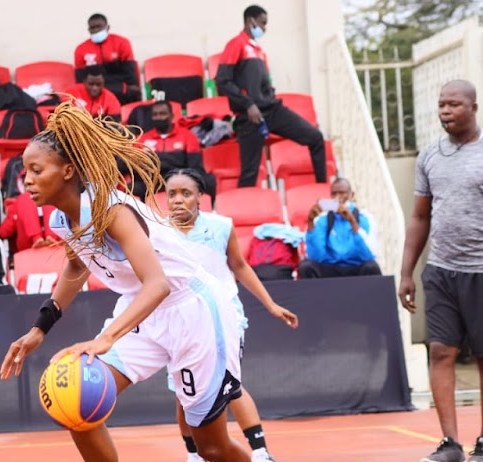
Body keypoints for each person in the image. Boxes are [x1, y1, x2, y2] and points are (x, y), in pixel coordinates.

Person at [0, 103, 283, 462]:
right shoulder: (60, 220)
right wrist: (39, 329)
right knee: (76, 401)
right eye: (23, 172)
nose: (25, 180)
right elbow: (76, 266)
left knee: (210, 445)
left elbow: (158, 282)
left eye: (35, 170)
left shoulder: (109, 208)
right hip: (142, 312)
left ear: (67, 169)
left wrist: (106, 337)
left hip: (192, 311)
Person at [164, 169, 296, 462]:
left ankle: (262, 455)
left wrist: (270, 304)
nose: (179, 199)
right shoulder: (157, 232)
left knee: (229, 384)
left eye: (186, 193)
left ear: (200, 197)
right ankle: (195, 457)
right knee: (185, 391)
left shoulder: (221, 227)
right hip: (179, 321)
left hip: (224, 317)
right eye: (172, 194)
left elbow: (239, 266)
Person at [399, 79, 483, 462]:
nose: (445, 111)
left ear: (473, 108)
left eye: (454, 105)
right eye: (441, 105)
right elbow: (419, 216)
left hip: (480, 271)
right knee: (441, 350)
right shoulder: (430, 156)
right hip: (442, 271)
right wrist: (407, 272)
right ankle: (450, 443)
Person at [215, 5, 326, 188]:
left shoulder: (259, 50)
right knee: (250, 174)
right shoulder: (236, 44)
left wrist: (270, 94)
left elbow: (265, 83)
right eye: (262, 23)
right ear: (250, 21)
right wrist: (248, 105)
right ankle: (244, 213)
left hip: (272, 110)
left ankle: (323, 191)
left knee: (315, 138)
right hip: (250, 116)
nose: (264, 28)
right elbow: (222, 81)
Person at [298, 177, 381, 279]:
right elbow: (316, 257)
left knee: (372, 267)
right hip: (331, 268)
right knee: (306, 266)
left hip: (356, 268)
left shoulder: (365, 217)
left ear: (351, 195)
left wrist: (352, 222)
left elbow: (368, 255)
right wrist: (311, 223)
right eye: (334, 194)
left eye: (342, 193)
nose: (338, 198)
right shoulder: (322, 218)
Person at [135, 101, 215, 199]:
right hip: (153, 182)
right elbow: (137, 167)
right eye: (155, 115)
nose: (159, 117)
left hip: (180, 179)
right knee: (132, 187)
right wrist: (174, 159)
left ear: (172, 116)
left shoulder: (188, 136)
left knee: (208, 181)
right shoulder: (142, 139)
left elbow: (195, 166)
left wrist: (158, 159)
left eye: (163, 114)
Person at [73, 13, 140, 105]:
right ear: (89, 30)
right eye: (93, 28)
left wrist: (132, 87)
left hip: (119, 86)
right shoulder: (81, 49)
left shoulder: (122, 43)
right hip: (94, 88)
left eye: (99, 27)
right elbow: (80, 78)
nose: (96, 30)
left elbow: (129, 71)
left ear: (107, 27)